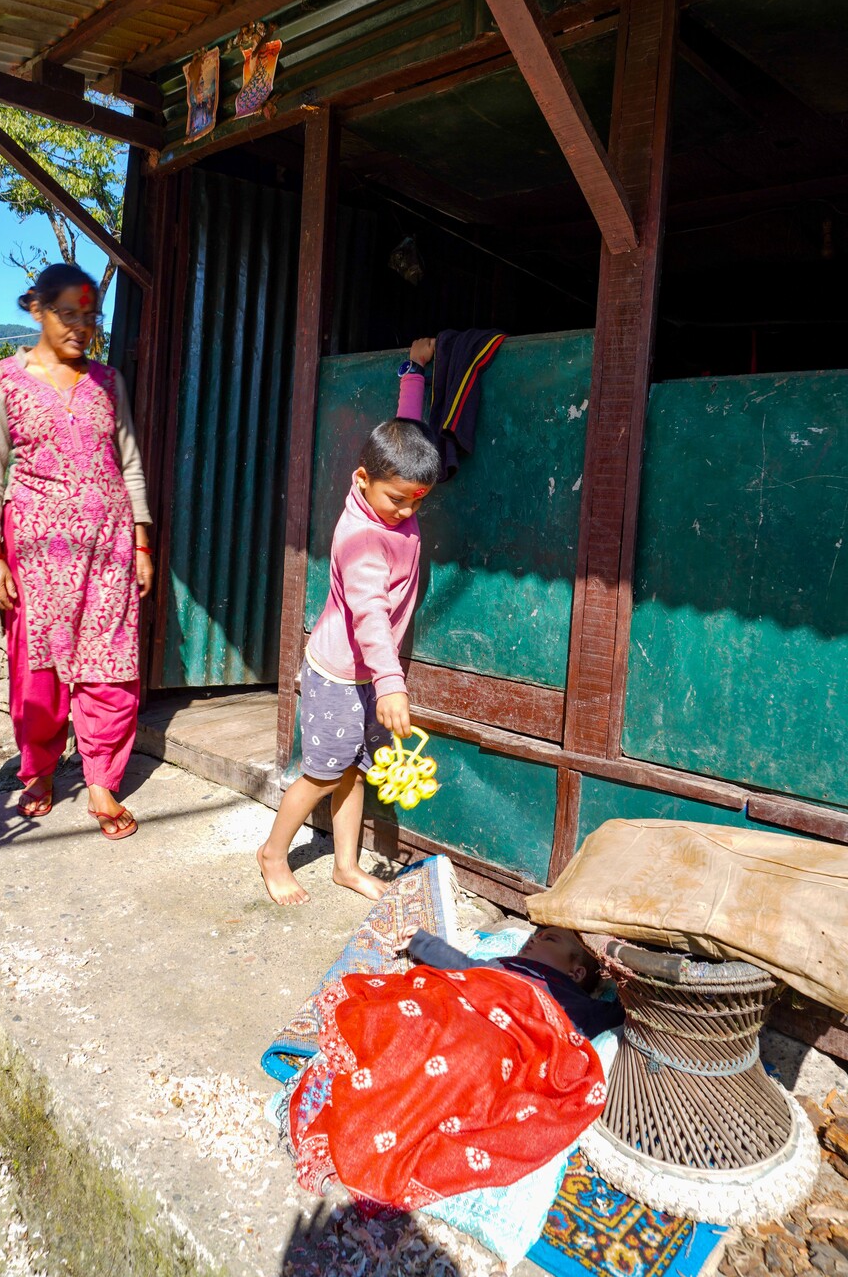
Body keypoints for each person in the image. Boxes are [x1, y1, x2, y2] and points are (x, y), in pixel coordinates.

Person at [0, 264, 153, 839]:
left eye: (90, 316)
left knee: (112, 663)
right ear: (37, 310)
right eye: (68, 313)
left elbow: (129, 463)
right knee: (39, 671)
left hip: (111, 546)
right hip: (37, 552)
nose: (81, 327)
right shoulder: (3, 380)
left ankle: (100, 777)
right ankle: (41, 770)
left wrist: (143, 540)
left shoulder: (108, 381)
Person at [258, 338, 439, 906]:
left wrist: (413, 374)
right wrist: (390, 683)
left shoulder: (392, 480)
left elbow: (405, 434)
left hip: (365, 675)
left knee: (354, 773)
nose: (408, 512)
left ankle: (344, 865)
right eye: (398, 500)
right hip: (341, 672)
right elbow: (370, 615)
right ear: (362, 479)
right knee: (321, 773)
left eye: (418, 501)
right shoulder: (362, 539)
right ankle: (271, 854)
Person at [400, 923, 624, 1039]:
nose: (534, 938)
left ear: (575, 973)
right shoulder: (503, 966)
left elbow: (626, 1006)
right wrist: (420, 942)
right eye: (538, 935)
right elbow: (461, 964)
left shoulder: (576, 1004)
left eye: (550, 939)